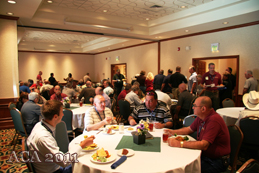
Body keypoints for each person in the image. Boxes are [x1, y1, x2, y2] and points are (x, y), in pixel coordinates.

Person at [165, 96, 230, 173]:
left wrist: (179, 144)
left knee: (187, 170)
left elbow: (204, 145)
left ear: (203, 109)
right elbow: (189, 129)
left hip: (216, 161)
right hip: (206, 156)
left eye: (195, 106)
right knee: (178, 159)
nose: (193, 108)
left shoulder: (214, 120)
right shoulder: (201, 117)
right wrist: (172, 132)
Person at [27, 100, 95, 173]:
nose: (63, 115)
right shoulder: (43, 137)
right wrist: (82, 145)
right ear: (55, 116)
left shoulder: (40, 125)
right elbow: (64, 162)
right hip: (53, 171)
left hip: (50, 164)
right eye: (62, 112)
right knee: (85, 167)